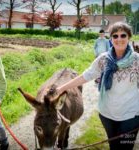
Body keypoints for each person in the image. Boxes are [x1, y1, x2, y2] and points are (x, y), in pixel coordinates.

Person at [53, 22, 139, 150]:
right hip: (107, 115)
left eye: (123, 35)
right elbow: (85, 76)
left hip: (131, 116)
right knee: (113, 146)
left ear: (129, 37)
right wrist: (61, 88)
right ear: (111, 39)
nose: (119, 39)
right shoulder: (103, 59)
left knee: (126, 147)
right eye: (115, 36)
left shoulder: (137, 60)